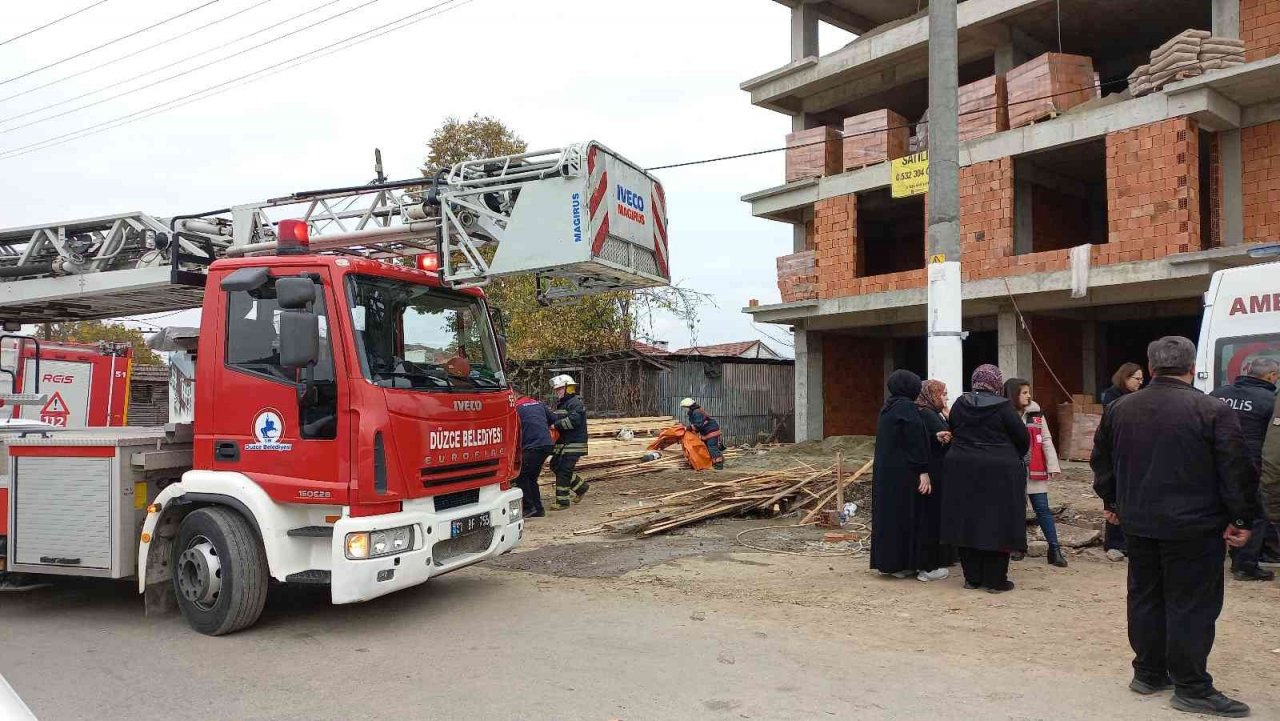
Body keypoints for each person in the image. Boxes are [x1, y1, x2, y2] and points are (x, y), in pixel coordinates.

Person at [1092, 336, 1257, 718]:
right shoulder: (1211, 410)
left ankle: (1148, 672)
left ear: (1151, 368)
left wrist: (1113, 502)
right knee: (1191, 605)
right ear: (1191, 367)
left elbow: (1101, 462)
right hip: (1194, 528)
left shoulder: (1119, 409)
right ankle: (1192, 686)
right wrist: (1241, 518)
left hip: (1140, 523)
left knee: (1145, 597)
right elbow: (1236, 469)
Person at [941, 364, 1030, 594]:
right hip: (999, 472)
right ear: (996, 382)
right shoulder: (1004, 407)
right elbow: (1022, 439)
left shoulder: (960, 404)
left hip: (961, 469)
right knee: (998, 522)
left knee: (966, 521)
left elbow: (954, 428)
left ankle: (972, 578)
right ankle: (995, 580)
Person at [870, 370, 948, 582]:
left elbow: (900, 439)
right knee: (918, 517)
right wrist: (923, 471)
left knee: (895, 519)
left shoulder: (889, 407)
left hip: (888, 475)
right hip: (908, 474)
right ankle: (925, 568)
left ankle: (897, 564)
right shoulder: (908, 409)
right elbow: (914, 442)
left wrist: (934, 436)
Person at [1210, 356, 1279, 582]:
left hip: (1215, 464)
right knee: (1254, 514)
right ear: (1271, 376)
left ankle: (1215, 558)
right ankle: (1245, 565)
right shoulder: (1270, 400)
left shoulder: (1218, 394)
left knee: (1218, 511)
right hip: (1251, 467)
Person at [1004, 378, 1068, 568]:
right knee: (1016, 509)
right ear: (1014, 394)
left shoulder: (1036, 413)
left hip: (1035, 469)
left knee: (1042, 508)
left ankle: (1054, 549)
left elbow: (1046, 439)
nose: (1029, 396)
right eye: (1024, 392)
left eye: (1028, 392)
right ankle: (1018, 546)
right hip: (1012, 469)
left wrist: (1053, 466)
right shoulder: (1004, 414)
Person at [1101, 361, 1144, 562]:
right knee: (1114, 500)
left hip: (1135, 454)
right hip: (1116, 454)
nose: (1140, 383)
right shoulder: (1112, 397)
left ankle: (1129, 541)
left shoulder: (1139, 397)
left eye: (1142, 379)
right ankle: (1114, 543)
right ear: (1125, 378)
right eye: (1137, 379)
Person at [915, 378, 957, 570]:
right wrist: (949, 419)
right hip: (936, 471)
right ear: (932, 395)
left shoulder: (934, 413)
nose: (946, 398)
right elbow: (948, 438)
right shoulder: (928, 414)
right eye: (943, 394)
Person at [548, 374, 589, 511]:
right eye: (556, 390)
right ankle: (581, 487)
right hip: (564, 444)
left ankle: (562, 502)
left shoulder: (575, 403)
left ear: (568, 388)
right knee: (555, 465)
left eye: (559, 389)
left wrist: (556, 425)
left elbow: (574, 421)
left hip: (573, 444)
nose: (557, 392)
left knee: (564, 471)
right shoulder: (564, 403)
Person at [514, 394, 556, 517]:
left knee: (521, 476)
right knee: (531, 477)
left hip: (533, 446)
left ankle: (529, 507)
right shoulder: (538, 404)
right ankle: (538, 509)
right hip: (547, 444)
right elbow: (554, 419)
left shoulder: (516, 407)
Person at [679, 397, 725, 469]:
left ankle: (719, 464)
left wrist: (688, 428)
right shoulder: (694, 411)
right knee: (706, 447)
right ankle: (712, 463)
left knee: (712, 447)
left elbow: (698, 425)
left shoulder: (696, 412)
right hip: (707, 431)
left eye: (685, 407)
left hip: (711, 430)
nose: (685, 409)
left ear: (688, 406)